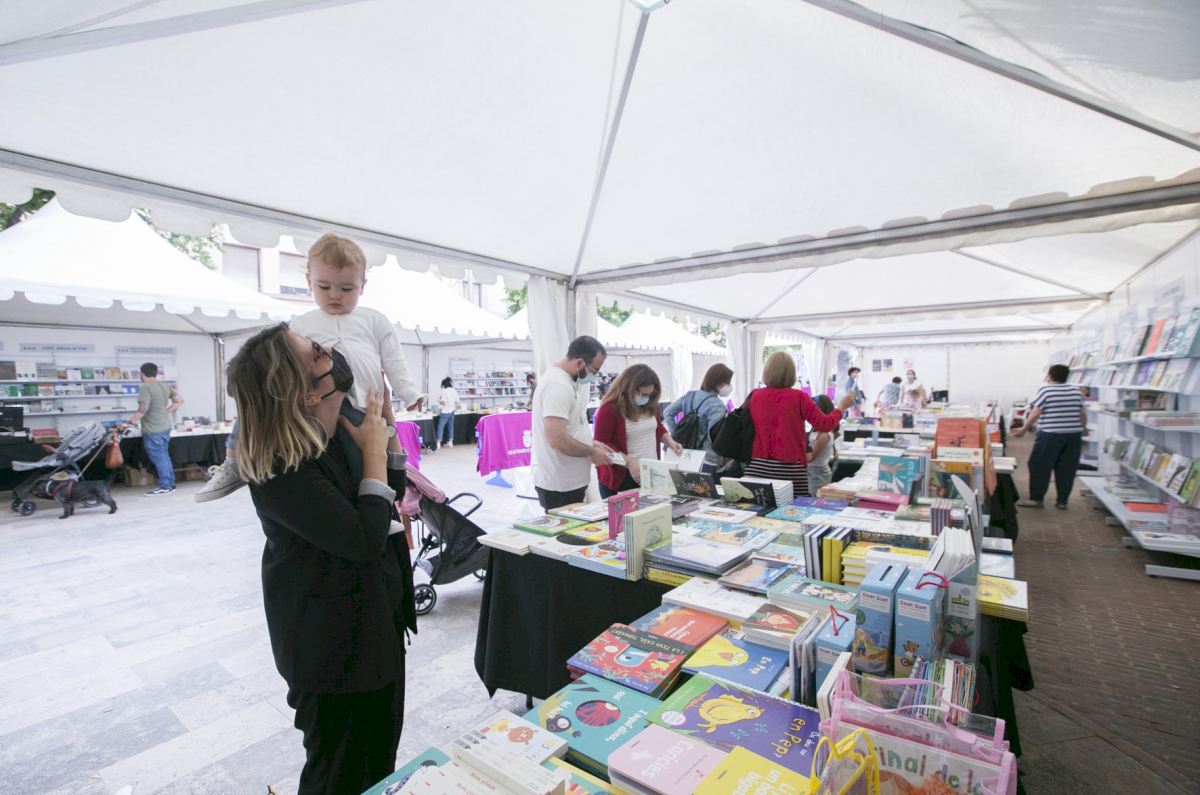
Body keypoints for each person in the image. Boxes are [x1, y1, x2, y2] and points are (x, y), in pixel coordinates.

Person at [227, 323, 415, 795]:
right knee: (338, 772)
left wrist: (386, 433)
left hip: (375, 623)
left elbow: (390, 493)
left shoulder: (338, 424)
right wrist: (374, 453)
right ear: (303, 392)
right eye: (316, 353)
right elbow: (363, 539)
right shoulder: (280, 466)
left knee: (378, 760)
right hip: (333, 649)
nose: (330, 349)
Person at [197, 233, 422, 502]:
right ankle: (234, 458)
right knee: (258, 399)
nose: (335, 295)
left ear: (362, 285)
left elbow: (394, 360)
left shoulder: (375, 320)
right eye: (324, 287)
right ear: (308, 282)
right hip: (317, 407)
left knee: (363, 460)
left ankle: (375, 506)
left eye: (347, 289)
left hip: (364, 405)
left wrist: (409, 393)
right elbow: (287, 368)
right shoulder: (301, 324)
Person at [744, 352, 854, 497]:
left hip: (757, 465)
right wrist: (841, 408)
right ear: (791, 373)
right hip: (790, 468)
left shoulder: (755, 395)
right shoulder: (799, 397)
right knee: (793, 507)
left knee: (759, 505)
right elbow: (825, 425)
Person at [531, 336, 614, 510]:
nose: (594, 376)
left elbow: (570, 428)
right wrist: (591, 451)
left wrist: (591, 443)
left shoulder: (566, 380)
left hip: (568, 482)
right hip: (560, 485)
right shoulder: (558, 386)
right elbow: (557, 440)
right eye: (594, 371)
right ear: (580, 363)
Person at [593, 364, 683, 497]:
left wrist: (670, 442)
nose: (646, 398)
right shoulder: (609, 409)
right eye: (643, 394)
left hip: (650, 472)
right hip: (621, 476)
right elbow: (601, 446)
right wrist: (629, 463)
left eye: (650, 394)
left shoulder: (650, 404)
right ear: (628, 389)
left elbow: (657, 428)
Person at [1013, 363, 1087, 510]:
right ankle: (1062, 501)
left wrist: (1023, 429)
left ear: (1050, 375)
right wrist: (1083, 429)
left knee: (1039, 465)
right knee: (1067, 468)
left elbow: (1036, 412)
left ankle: (1037, 499)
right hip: (1073, 436)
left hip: (1050, 435)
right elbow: (1082, 413)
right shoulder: (1076, 392)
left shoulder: (1046, 390)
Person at [124, 362, 184, 496]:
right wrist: (166, 411)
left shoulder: (145, 388)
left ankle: (165, 486)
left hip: (153, 429)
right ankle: (170, 484)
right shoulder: (163, 386)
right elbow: (179, 400)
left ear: (141, 374)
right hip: (165, 426)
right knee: (164, 456)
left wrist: (130, 422)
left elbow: (142, 409)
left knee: (159, 458)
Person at [664, 363, 734, 476]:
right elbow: (715, 436)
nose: (729, 386)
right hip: (708, 459)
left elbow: (667, 412)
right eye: (727, 383)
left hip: (686, 454)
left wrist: (676, 435)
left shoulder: (690, 396)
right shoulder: (717, 405)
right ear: (718, 382)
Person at [807, 394, 839, 494]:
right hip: (812, 472)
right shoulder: (814, 431)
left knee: (815, 498)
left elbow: (811, 457)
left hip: (818, 474)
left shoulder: (824, 434)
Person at [434, 377, 459, 450]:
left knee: (440, 426)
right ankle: (450, 442)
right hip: (452, 410)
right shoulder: (454, 391)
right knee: (450, 426)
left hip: (445, 411)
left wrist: (439, 400)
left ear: (444, 385)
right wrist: (454, 407)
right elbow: (457, 402)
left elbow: (444, 402)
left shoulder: (445, 391)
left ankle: (438, 443)